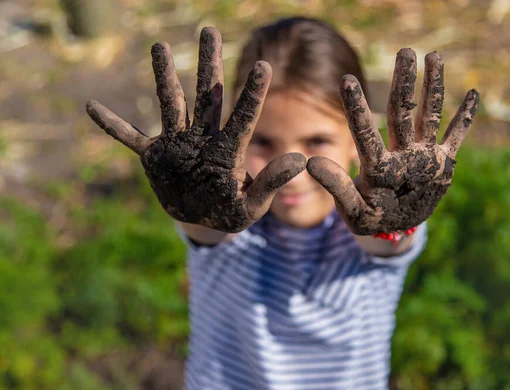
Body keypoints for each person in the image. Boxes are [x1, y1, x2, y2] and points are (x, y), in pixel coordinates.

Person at [86, 16, 479, 390]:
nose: (292, 169)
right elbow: (205, 232)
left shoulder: (372, 224)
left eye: (317, 142)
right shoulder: (226, 218)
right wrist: (196, 207)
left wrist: (394, 222)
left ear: (358, 139)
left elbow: (387, 243)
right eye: (263, 142)